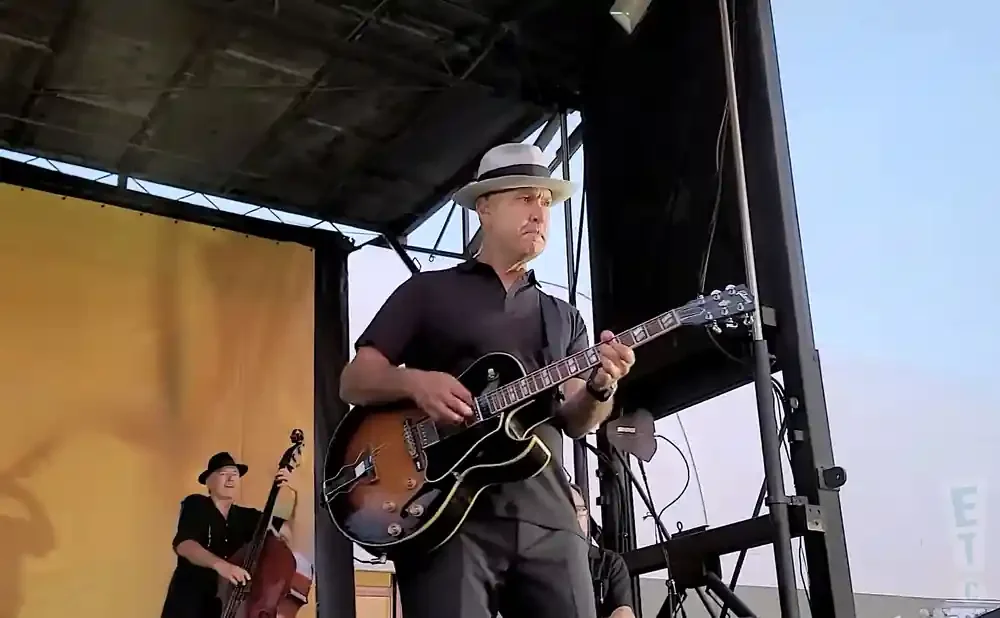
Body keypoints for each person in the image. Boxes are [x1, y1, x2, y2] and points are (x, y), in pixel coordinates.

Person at [339, 142, 637, 618]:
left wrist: (603, 385)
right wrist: (416, 384)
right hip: (443, 514)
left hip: (549, 519)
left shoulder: (563, 317)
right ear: (485, 208)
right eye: (524, 197)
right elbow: (355, 380)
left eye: (546, 201)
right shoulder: (428, 291)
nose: (539, 212)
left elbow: (578, 420)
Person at [160, 451, 298, 618]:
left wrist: (297, 491)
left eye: (235, 474)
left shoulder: (246, 517)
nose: (231, 478)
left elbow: (290, 531)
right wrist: (222, 566)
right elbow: (185, 545)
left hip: (226, 610)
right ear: (208, 481)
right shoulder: (196, 504)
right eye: (223, 473)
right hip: (189, 607)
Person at [570, 483, 636, 618]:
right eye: (568, 512)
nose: (575, 518)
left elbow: (623, 612)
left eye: (580, 510)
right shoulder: (534, 565)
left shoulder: (609, 563)